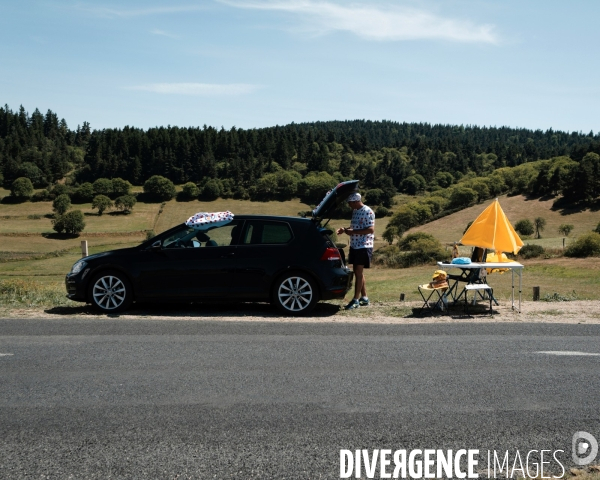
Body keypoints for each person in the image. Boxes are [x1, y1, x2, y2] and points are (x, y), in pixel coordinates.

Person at [336, 192, 375, 310]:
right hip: (355, 245)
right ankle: (364, 298)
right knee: (358, 272)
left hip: (364, 245)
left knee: (358, 273)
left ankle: (355, 300)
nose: (349, 205)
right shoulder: (355, 211)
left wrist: (352, 232)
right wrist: (345, 230)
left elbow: (371, 229)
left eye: (350, 203)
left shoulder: (368, 211)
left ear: (356, 201)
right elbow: (355, 227)